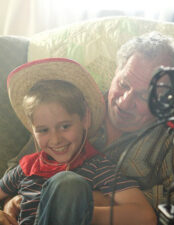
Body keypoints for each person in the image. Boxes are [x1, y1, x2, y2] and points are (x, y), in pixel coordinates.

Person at [5, 32, 174, 218]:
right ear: (115, 72)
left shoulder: (172, 133)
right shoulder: (71, 108)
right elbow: (19, 169)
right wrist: (10, 203)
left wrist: (95, 199)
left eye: (144, 95)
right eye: (123, 84)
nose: (125, 101)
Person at [0, 58, 156, 225]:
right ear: (33, 130)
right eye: (43, 130)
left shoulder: (99, 167)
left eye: (65, 126)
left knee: (68, 183)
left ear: (85, 119)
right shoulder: (25, 168)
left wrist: (80, 211)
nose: (55, 139)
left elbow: (146, 216)